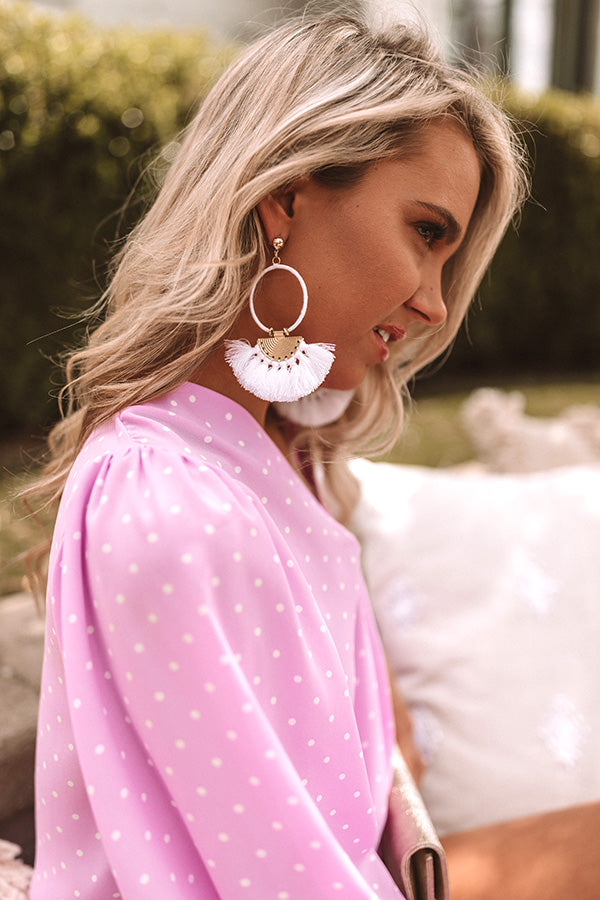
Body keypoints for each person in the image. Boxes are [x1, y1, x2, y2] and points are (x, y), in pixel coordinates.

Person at [23, 9, 538, 899]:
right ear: (287, 196)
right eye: (426, 234)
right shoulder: (161, 492)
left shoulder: (266, 464)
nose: (435, 303)